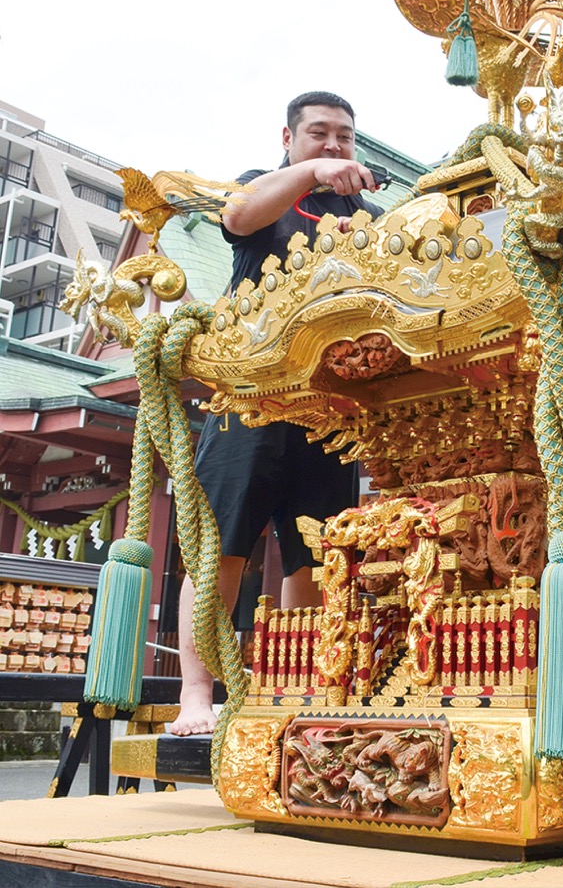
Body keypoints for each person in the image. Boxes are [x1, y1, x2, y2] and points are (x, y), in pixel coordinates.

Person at [169, 91, 381, 735]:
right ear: (288, 139)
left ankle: (296, 689)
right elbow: (237, 216)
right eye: (319, 133)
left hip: (328, 407)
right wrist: (312, 172)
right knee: (221, 548)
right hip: (250, 399)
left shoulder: (368, 216)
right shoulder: (263, 188)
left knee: (314, 559)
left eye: (344, 135)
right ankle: (196, 695)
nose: (334, 144)